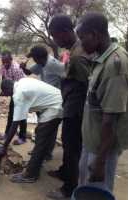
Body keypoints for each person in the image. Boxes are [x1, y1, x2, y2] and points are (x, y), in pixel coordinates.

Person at [77, 12, 128, 192]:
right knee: (85, 188)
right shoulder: (101, 58)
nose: (81, 44)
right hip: (91, 141)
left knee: (96, 192)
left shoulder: (115, 65)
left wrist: (100, 162)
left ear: (95, 34)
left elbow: (111, 118)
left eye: (82, 38)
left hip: (100, 149)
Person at [47, 14, 90, 199]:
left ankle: (69, 189)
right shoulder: (74, 50)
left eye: (55, 36)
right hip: (70, 106)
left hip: (77, 110)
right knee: (67, 142)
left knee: (73, 148)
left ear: (65, 32)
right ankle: (65, 172)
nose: (55, 41)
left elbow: (87, 86)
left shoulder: (78, 55)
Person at [0, 78, 62, 183]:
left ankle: (31, 174)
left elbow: (15, 124)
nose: (7, 96)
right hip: (59, 100)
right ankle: (45, 156)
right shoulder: (23, 81)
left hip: (54, 107)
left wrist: (4, 146)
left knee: (40, 138)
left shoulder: (18, 95)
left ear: (7, 90)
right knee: (47, 133)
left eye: (6, 94)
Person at [0, 50, 27, 145]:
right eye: (3, 62)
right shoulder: (3, 67)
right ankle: (8, 133)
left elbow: (21, 85)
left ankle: (23, 137)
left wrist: (10, 92)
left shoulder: (16, 68)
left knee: (21, 115)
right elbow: (4, 78)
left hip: (22, 92)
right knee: (11, 113)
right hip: (13, 91)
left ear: (11, 60)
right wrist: (3, 90)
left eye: (7, 61)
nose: (5, 64)